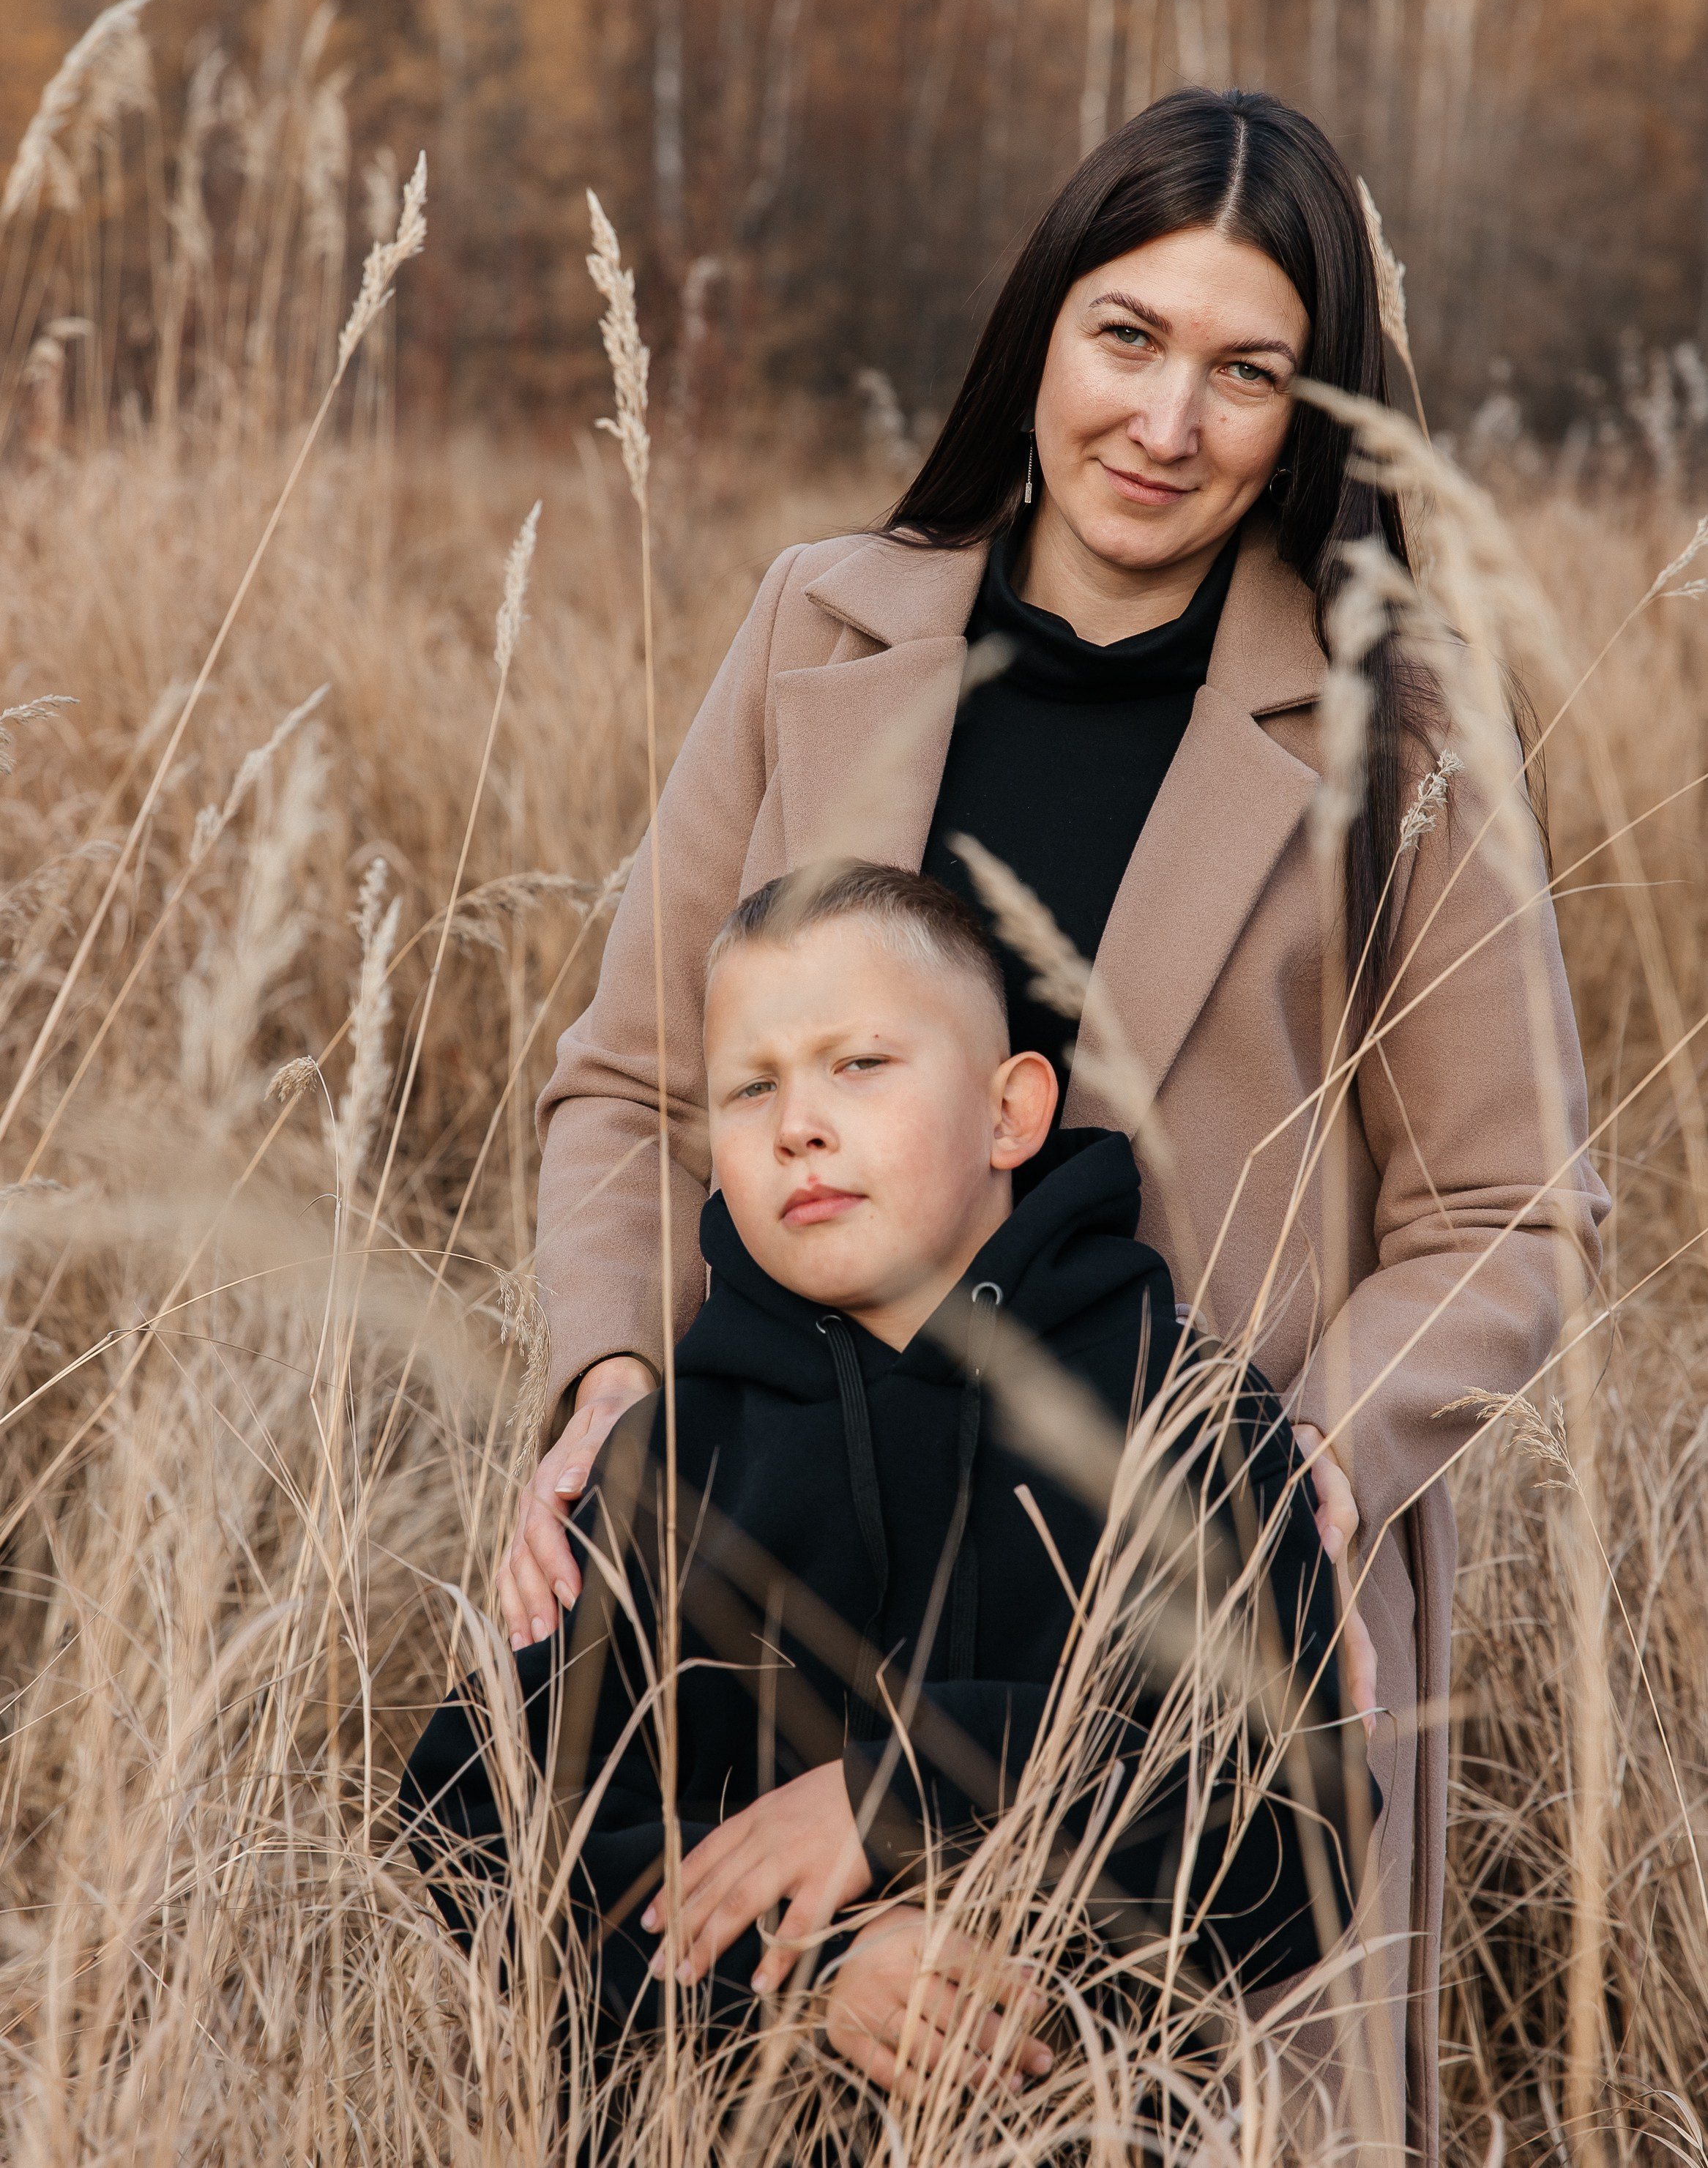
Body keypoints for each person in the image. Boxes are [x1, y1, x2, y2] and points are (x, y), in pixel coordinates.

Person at [506, 87, 1608, 2157]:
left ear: (1314, 410)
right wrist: (608, 1378)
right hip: (785, 1559)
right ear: (1036, 329)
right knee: (745, 2047)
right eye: (1124, 335)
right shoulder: (813, 625)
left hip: (1171, 1663)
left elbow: (1510, 1204)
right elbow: (638, 1081)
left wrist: (1296, 1471)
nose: (1166, 421)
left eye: (1244, 370)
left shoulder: (1398, 722)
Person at [405, 863, 1373, 2086]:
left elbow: (1300, 1823)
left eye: (857, 1064)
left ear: (1013, 1113)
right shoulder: (668, 1459)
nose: (796, 1122)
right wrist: (812, 1971)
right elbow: (468, 1826)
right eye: (750, 1086)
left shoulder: (1180, 1417)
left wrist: (905, 1793)